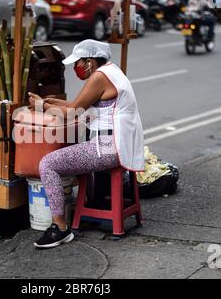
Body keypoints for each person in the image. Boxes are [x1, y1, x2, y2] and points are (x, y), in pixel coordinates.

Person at [27, 39, 145, 249]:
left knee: (48, 164)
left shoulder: (98, 77)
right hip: (119, 145)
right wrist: (51, 102)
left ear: (90, 61)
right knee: (74, 153)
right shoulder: (111, 71)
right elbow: (78, 105)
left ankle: (60, 227)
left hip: (108, 148)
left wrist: (41, 105)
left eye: (78, 62)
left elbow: (72, 112)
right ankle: (91, 206)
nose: (76, 68)